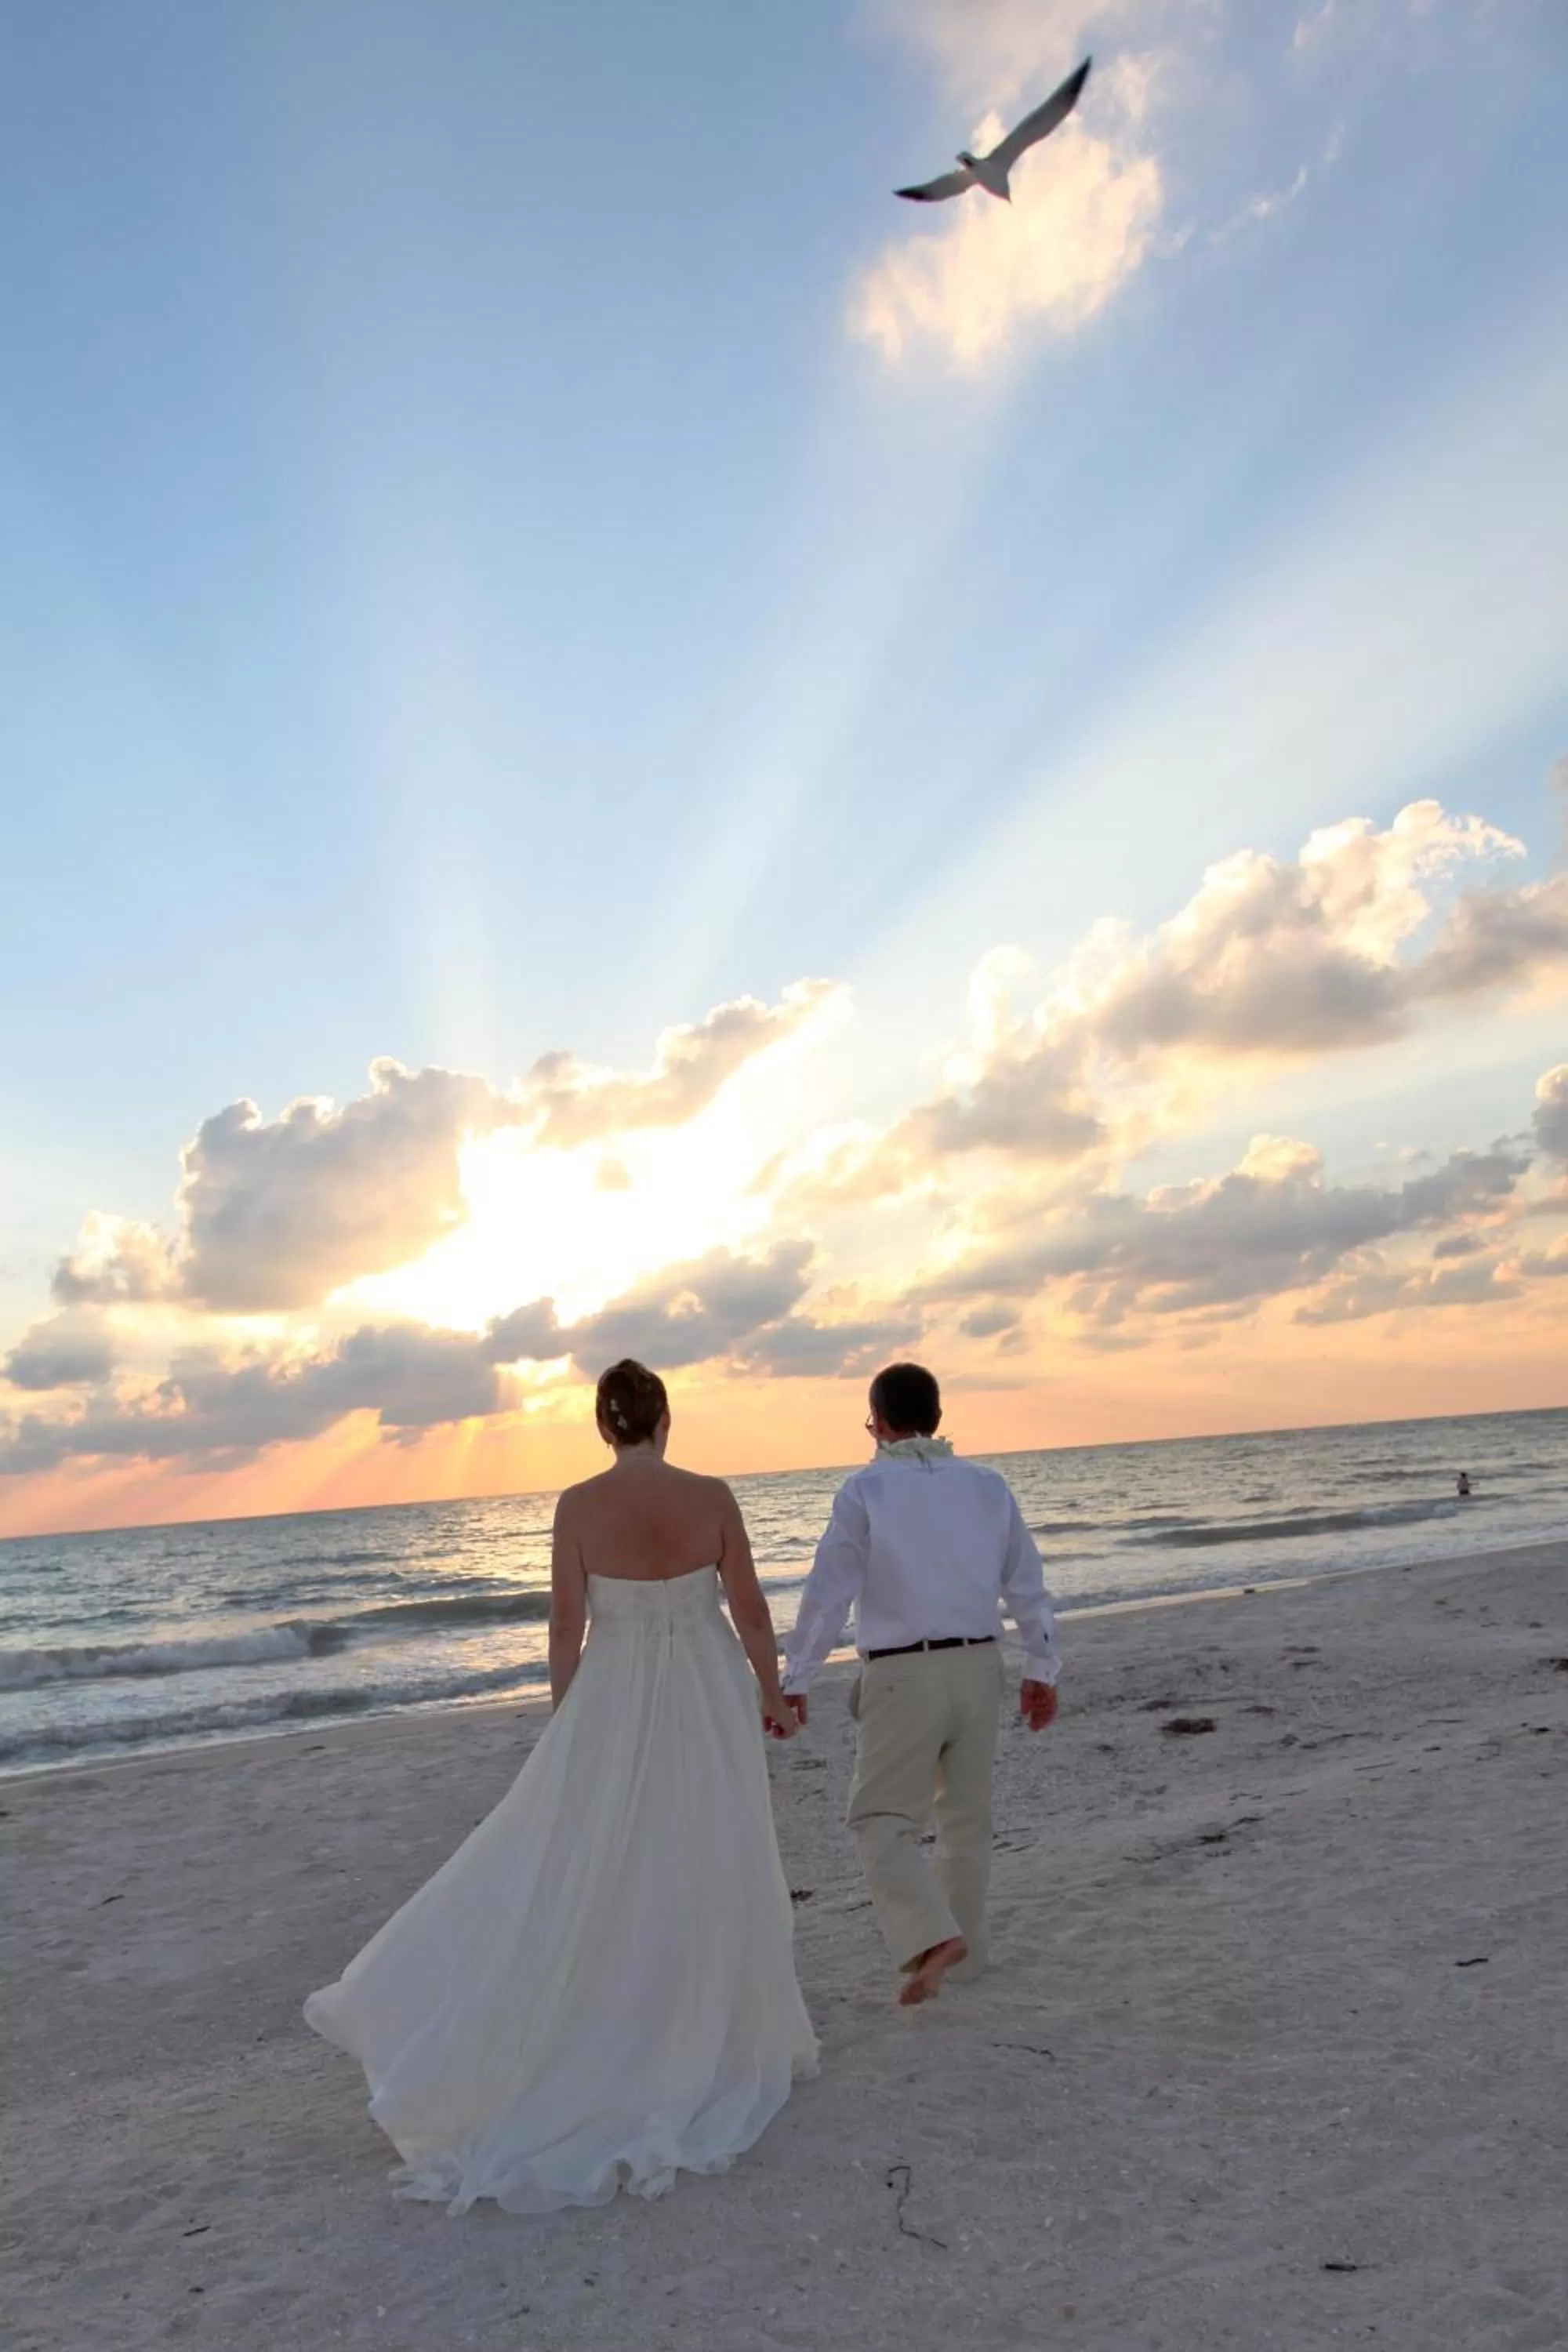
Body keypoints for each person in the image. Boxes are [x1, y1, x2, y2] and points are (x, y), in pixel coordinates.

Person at [304, 1359, 817, 2214]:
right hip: (703, 1690)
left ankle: (628, 2028)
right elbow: (752, 1611)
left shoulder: (577, 1506)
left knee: (609, 1862)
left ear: (601, 1426)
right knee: (709, 1850)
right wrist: (772, 1693)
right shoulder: (713, 1496)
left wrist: (566, 1724)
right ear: (664, 1419)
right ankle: (705, 2039)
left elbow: (565, 1626)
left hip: (613, 1698)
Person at [781, 1362, 1062, 2008]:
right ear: (937, 1418)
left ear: (877, 1424)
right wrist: (1040, 1671)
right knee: (966, 1820)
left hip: (902, 1673)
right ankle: (964, 1960)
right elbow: (1027, 1587)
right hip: (979, 1664)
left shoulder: (865, 1490)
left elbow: (829, 1596)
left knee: (880, 1819)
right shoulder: (988, 1487)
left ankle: (933, 1939)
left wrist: (796, 1677)